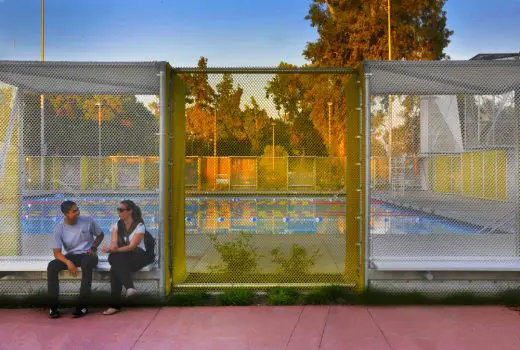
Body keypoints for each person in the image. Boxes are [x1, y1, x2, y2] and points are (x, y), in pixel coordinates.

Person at [47, 200, 104, 319]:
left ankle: (83, 305)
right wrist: (68, 262)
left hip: (89, 254)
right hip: (72, 256)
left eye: (77, 209)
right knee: (52, 266)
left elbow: (100, 234)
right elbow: (57, 253)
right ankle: (53, 306)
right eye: (74, 211)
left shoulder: (88, 221)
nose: (78, 212)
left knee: (86, 263)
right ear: (66, 214)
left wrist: (93, 247)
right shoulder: (59, 228)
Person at [102, 200, 152, 315]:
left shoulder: (139, 226)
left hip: (140, 256)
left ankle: (116, 304)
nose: (119, 212)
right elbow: (114, 243)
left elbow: (132, 247)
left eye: (121, 210)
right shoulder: (117, 225)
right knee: (114, 264)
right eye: (118, 210)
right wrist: (109, 248)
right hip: (124, 258)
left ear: (130, 211)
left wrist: (114, 251)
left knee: (114, 260)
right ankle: (130, 289)